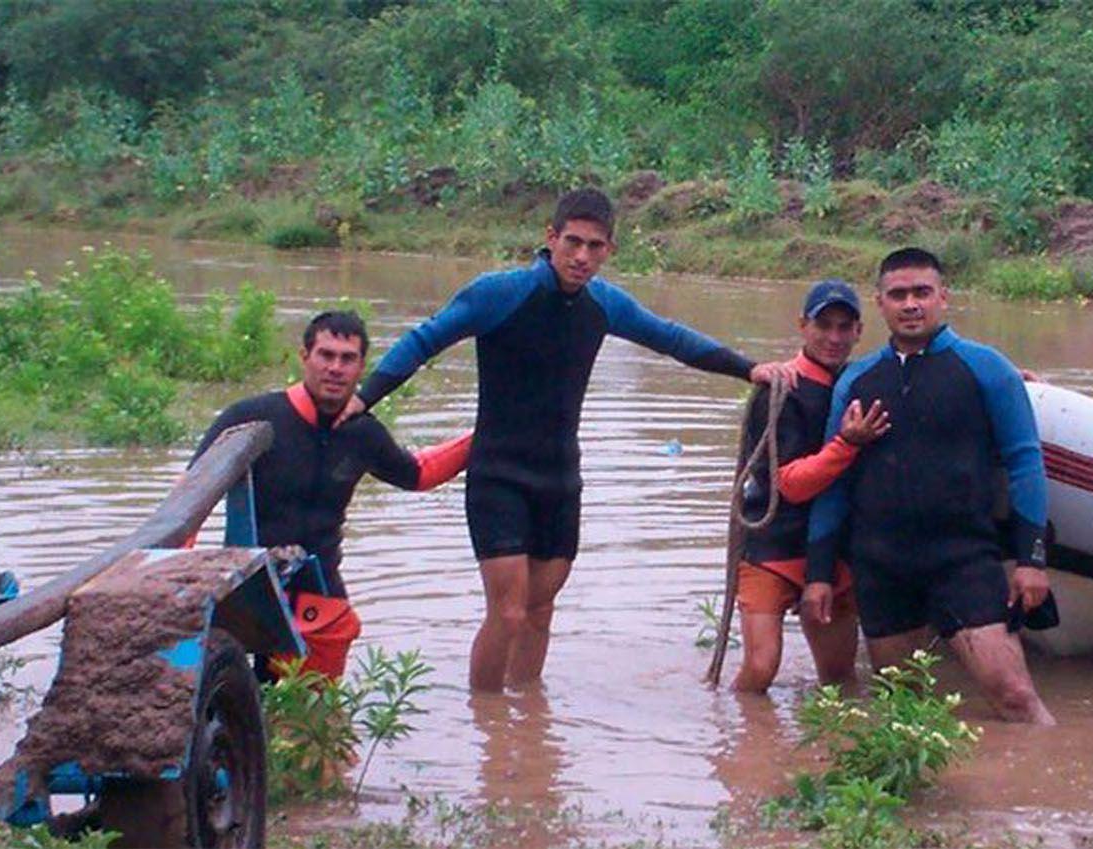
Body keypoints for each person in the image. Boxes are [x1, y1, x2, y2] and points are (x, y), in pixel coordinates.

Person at [336, 188, 795, 693]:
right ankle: (488, 727)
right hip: (498, 474)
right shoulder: (499, 294)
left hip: (559, 478)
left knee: (539, 610)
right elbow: (425, 339)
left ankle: (526, 716)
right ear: (550, 238)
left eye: (595, 246)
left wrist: (749, 369)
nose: (581, 256)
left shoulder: (604, 305)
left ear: (609, 251)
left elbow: (673, 339)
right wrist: (365, 397)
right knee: (508, 612)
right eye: (572, 242)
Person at [804, 248, 1056, 725]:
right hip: (882, 565)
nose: (911, 304)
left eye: (922, 292)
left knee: (1016, 697)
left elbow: (1025, 464)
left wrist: (1031, 561)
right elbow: (833, 483)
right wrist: (819, 573)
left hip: (963, 558)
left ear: (944, 297)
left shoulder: (988, 369)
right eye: (898, 295)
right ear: (879, 303)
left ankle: (1045, 796)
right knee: (902, 710)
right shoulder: (856, 381)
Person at [192, 310, 470, 678]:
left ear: (361, 368)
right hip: (250, 586)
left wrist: (485, 438)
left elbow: (417, 474)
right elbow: (193, 495)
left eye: (347, 359)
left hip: (319, 587)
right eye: (326, 355)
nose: (335, 368)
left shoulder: (363, 433)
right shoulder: (251, 418)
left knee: (311, 724)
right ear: (304, 357)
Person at [733, 279, 890, 693]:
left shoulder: (862, 384)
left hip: (832, 549)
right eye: (824, 326)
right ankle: (742, 742)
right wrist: (847, 444)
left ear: (859, 332)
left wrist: (1010, 377)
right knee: (761, 668)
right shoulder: (779, 390)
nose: (834, 337)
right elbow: (790, 485)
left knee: (839, 679)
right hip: (773, 545)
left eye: (844, 327)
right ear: (803, 326)